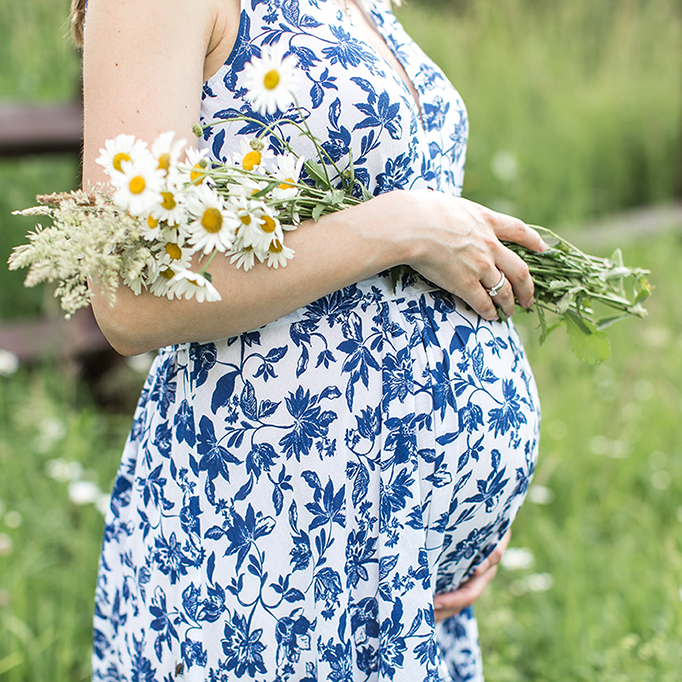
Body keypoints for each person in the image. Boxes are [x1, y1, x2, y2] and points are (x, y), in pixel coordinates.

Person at [72, 0, 544, 679]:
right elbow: (131, 296)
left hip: (398, 556)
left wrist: (457, 524)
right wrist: (401, 227)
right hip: (276, 539)